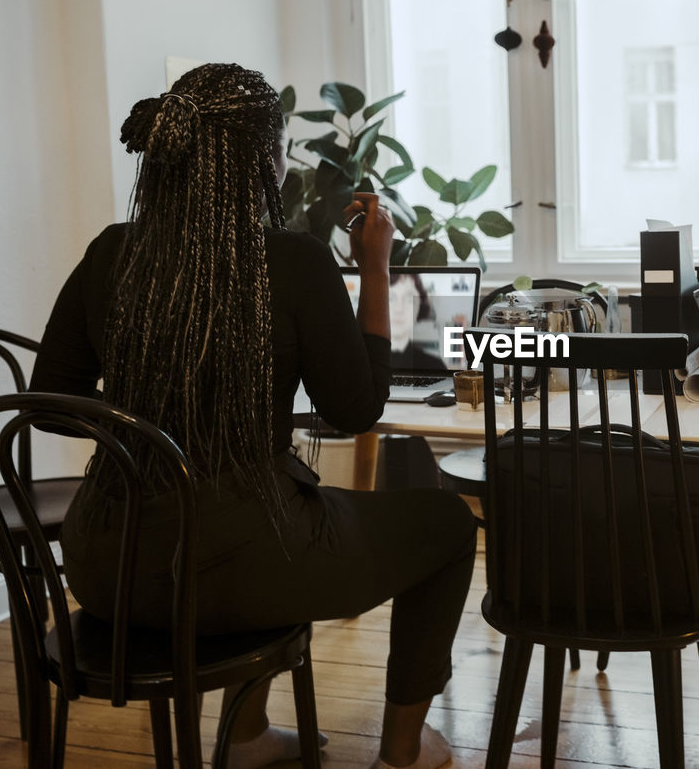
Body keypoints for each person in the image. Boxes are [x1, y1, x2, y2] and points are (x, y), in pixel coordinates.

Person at [30, 63, 476, 769]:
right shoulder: (292, 262)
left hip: (105, 563)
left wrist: (150, 428)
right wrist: (374, 267)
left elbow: (51, 400)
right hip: (243, 566)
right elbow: (355, 409)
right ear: (264, 162)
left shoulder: (112, 251)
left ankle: (249, 739)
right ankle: (402, 749)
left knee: (277, 515)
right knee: (447, 526)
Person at [388, 272, 448, 371]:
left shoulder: (434, 367)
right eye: (391, 298)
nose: (399, 308)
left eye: (409, 300)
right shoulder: (360, 362)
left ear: (419, 308)